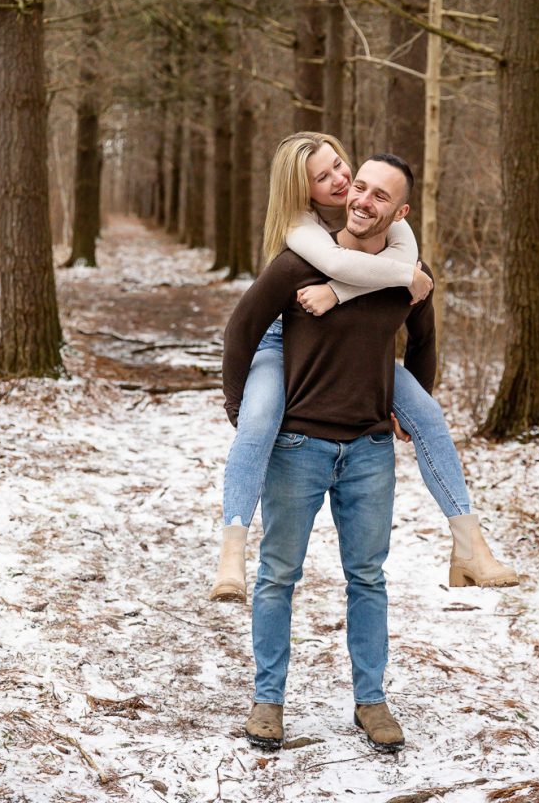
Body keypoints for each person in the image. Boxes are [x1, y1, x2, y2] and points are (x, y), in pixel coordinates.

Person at [211, 132, 517, 603]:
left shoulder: (385, 218)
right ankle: (232, 551)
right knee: (256, 422)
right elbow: (334, 267)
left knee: (430, 417)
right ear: (302, 189)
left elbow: (414, 318)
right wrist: (235, 402)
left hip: (362, 353)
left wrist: (351, 291)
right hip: (281, 342)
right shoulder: (302, 233)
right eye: (323, 176)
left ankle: (469, 546)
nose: (341, 179)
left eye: (339, 165)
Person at [222, 154, 433, 751]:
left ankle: (372, 701)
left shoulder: (403, 273)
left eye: (380, 196)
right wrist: (245, 421)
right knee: (278, 577)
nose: (363, 200)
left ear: (400, 212)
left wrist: (408, 406)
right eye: (358, 187)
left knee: (367, 578)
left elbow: (425, 337)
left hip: (369, 449)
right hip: (297, 446)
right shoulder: (297, 265)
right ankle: (268, 700)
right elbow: (242, 330)